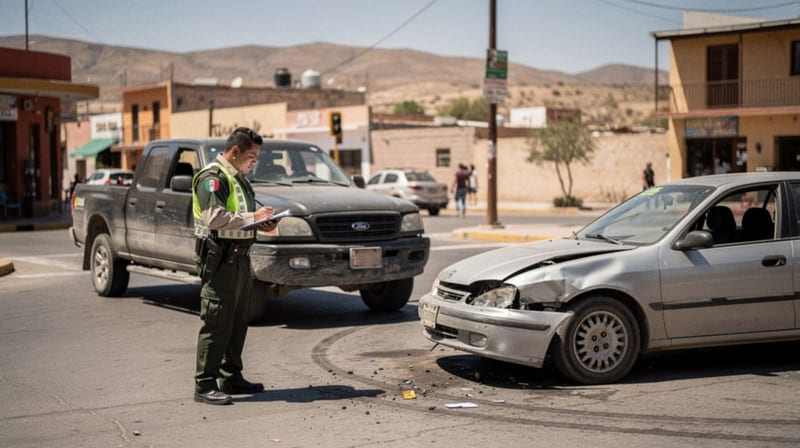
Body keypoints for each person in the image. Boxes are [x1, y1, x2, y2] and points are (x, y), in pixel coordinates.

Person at [192, 127, 279, 405]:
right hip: (219, 260)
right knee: (217, 321)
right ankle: (205, 385)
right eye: (252, 155)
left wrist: (263, 222)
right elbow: (215, 218)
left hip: (241, 258)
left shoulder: (239, 178)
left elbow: (242, 216)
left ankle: (231, 376)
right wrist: (253, 215)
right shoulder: (212, 179)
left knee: (238, 321)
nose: (255, 161)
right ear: (234, 152)